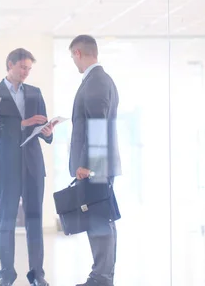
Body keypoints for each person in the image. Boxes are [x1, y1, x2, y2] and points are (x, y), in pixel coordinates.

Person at [0, 48, 54, 286]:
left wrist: (47, 132)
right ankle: (6, 275)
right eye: (23, 67)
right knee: (6, 221)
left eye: (29, 69)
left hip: (33, 165)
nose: (26, 72)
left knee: (35, 220)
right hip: (8, 166)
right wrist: (23, 123)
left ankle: (37, 274)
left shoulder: (35, 93)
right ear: (10, 65)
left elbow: (42, 125)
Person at [67, 35, 121, 286]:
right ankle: (102, 276)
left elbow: (97, 126)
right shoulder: (101, 80)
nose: (74, 63)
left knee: (99, 220)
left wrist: (89, 167)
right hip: (97, 165)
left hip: (94, 167)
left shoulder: (96, 81)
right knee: (101, 219)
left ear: (78, 53)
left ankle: (101, 277)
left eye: (72, 57)